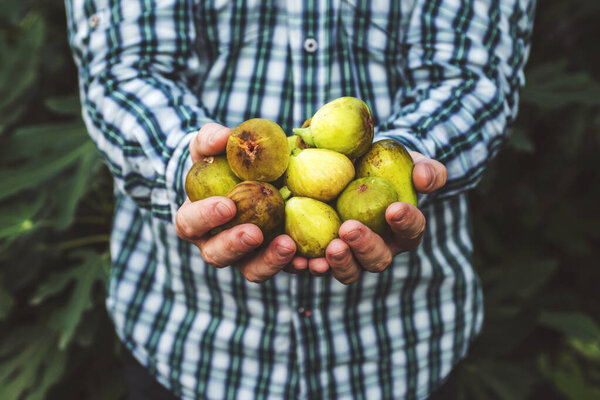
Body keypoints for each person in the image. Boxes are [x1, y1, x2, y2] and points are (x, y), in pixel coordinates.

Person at [66, 0, 535, 398]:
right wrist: (189, 168)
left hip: (402, 346)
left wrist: (403, 161)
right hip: (191, 341)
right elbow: (124, 69)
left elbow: (474, 74)